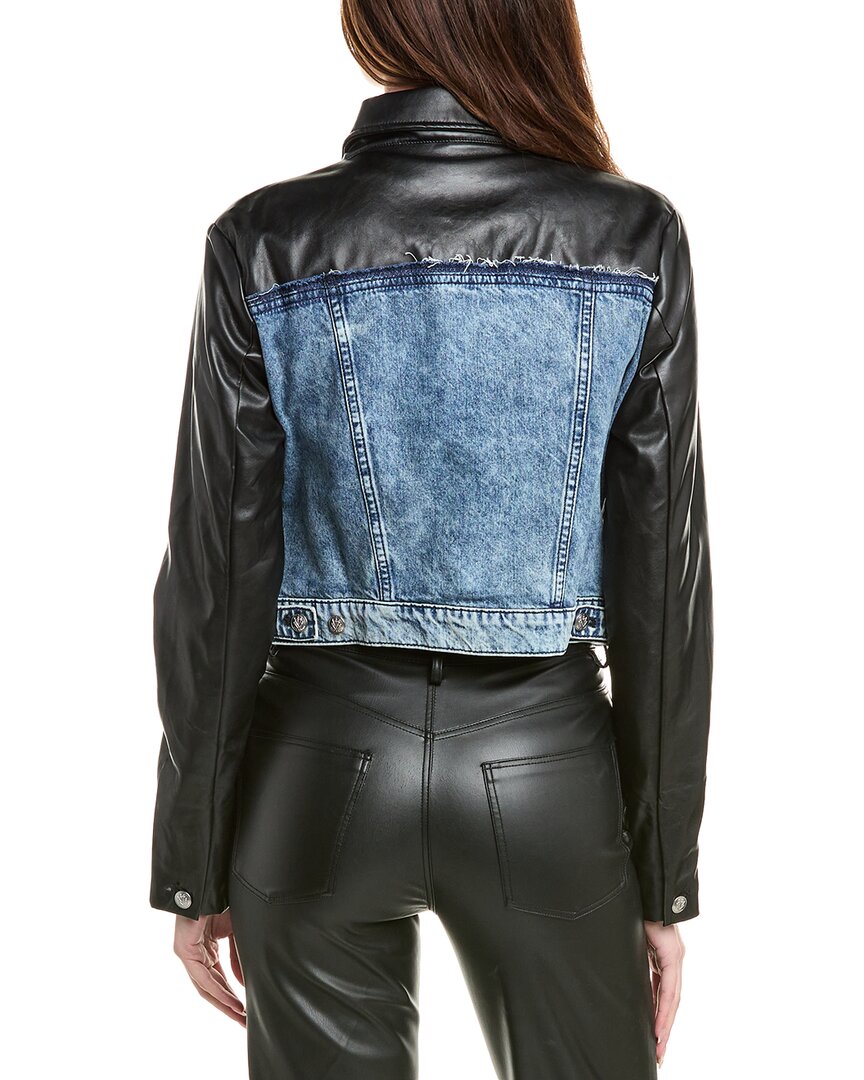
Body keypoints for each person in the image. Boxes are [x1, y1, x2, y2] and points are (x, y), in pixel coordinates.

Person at [149, 1, 713, 1076]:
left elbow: (216, 578)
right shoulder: (633, 234)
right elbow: (663, 582)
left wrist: (194, 861)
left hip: (317, 772)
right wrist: (664, 880)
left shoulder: (262, 238)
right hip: (548, 774)